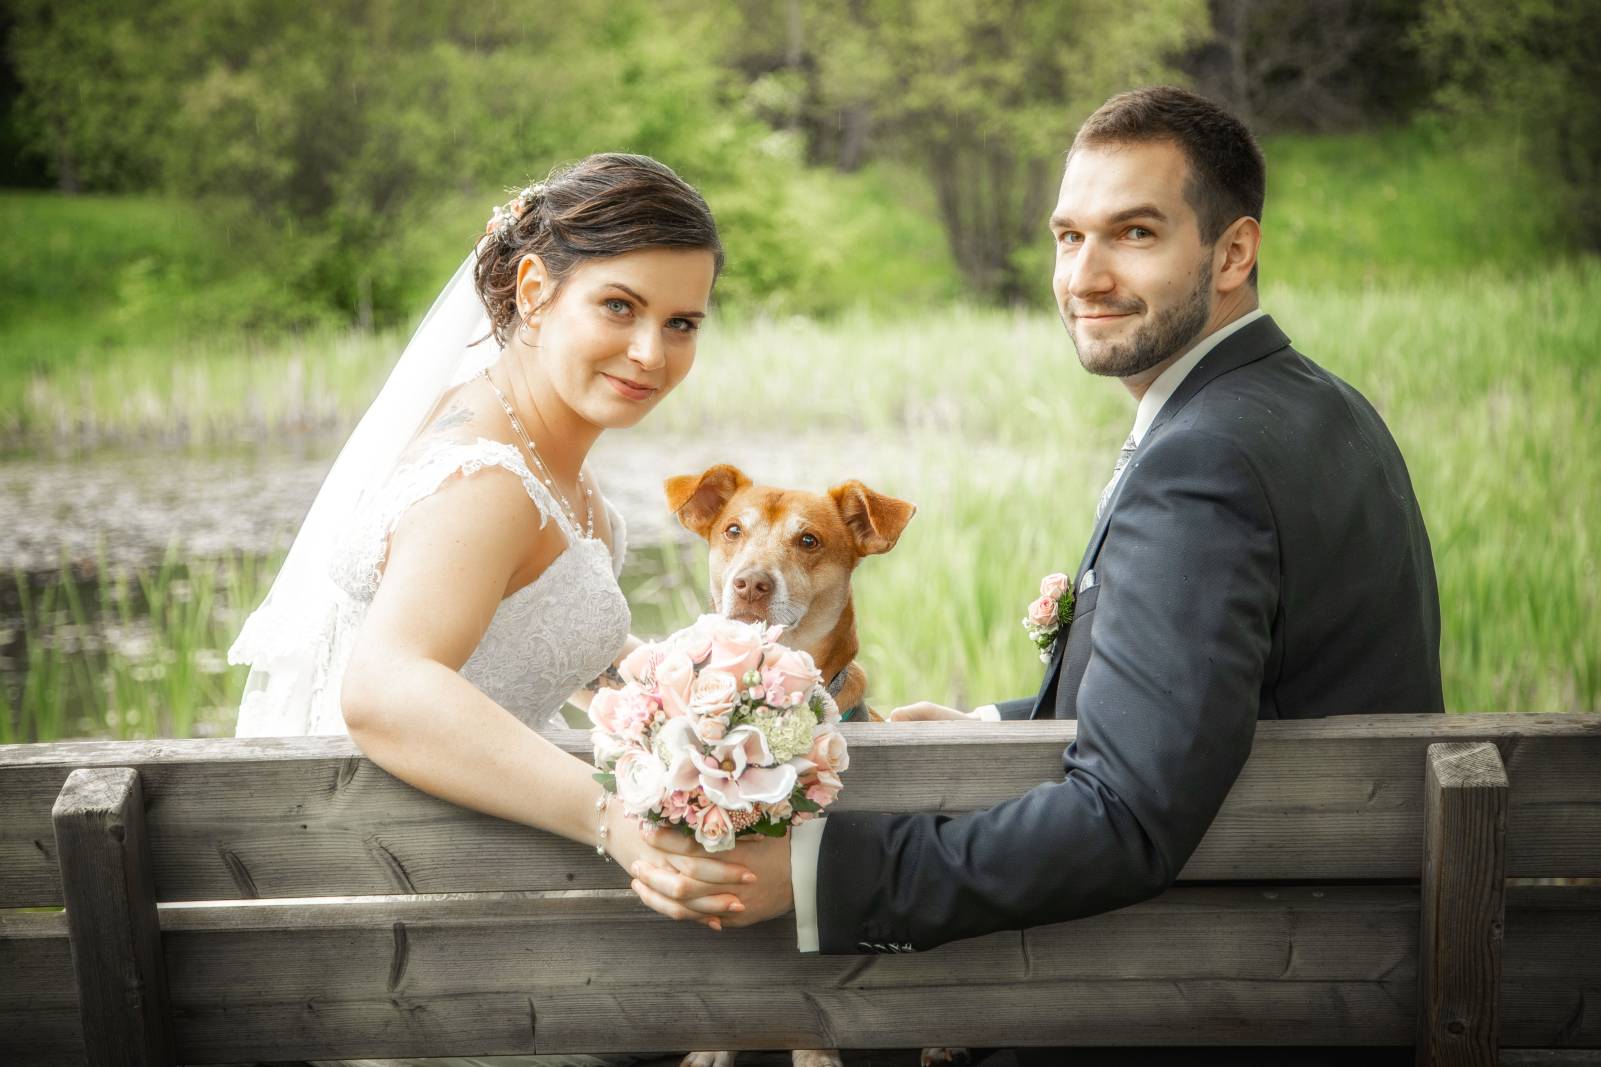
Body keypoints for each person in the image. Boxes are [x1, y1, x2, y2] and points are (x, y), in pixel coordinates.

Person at [626, 86, 1445, 971]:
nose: (1084, 276)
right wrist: (990, 722)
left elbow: (1126, 818)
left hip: (1248, 969)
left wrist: (815, 873)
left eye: (1134, 233)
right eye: (1068, 236)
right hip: (1338, 923)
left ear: (1232, 252)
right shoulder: (1319, 404)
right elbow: (1207, 701)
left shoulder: (1201, 461)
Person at [229, 152, 754, 1067]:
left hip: (460, 880)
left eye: (681, 323)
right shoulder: (486, 480)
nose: (651, 352)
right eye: (619, 306)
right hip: (411, 934)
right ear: (535, 290)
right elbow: (384, 688)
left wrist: (714, 691)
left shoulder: (526, 442)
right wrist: (616, 825)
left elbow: (520, 636)